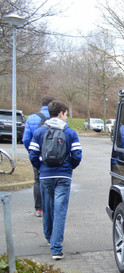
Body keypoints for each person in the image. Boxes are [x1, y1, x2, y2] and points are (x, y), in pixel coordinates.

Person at [28, 100, 82, 260]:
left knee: (47, 207)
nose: (66, 117)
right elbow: (77, 155)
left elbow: (32, 154)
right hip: (63, 175)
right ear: (60, 113)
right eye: (66, 114)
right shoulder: (70, 132)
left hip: (45, 175)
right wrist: (69, 167)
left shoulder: (39, 132)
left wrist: (40, 168)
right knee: (60, 211)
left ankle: (49, 238)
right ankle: (56, 248)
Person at [22, 95, 55, 217]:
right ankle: (52, 208)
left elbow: (26, 139)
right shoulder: (59, 118)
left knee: (38, 180)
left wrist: (32, 152)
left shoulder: (31, 118)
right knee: (54, 180)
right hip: (54, 156)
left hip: (37, 155)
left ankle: (39, 209)